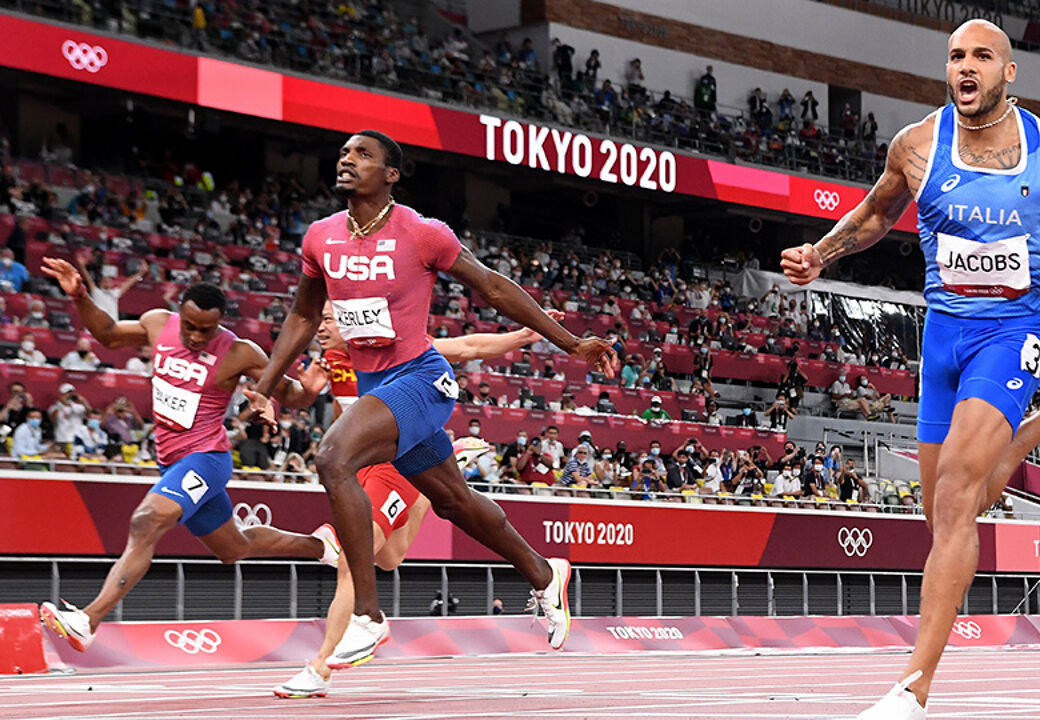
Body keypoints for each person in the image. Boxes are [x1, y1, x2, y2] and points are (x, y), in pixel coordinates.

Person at [780, 20, 1040, 718]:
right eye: (955, 56)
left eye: (981, 56)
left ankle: (913, 688)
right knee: (950, 514)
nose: (965, 67)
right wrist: (820, 255)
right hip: (943, 335)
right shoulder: (916, 146)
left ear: (1009, 73)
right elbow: (877, 212)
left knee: (954, 499)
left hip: (1011, 333)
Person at [250, 130, 616, 667]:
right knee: (453, 502)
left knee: (333, 457)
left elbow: (493, 288)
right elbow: (304, 316)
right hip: (378, 389)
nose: (347, 160)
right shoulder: (320, 238)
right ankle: (545, 572)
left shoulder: (422, 233)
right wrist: (264, 390)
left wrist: (572, 343)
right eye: (345, 152)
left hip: (422, 379)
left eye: (363, 155)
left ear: (391, 174)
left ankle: (367, 618)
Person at [37, 260, 333, 653]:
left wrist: (311, 389)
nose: (194, 336)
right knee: (234, 548)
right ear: (180, 314)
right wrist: (80, 296)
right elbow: (107, 334)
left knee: (145, 520)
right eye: (190, 326)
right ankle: (322, 546)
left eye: (205, 330)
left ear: (220, 323)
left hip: (206, 458)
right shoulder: (159, 323)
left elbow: (292, 394)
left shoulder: (241, 352)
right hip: (170, 460)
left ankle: (87, 620)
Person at [274, 301, 548, 698]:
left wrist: (521, 336)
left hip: (395, 463)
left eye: (330, 319)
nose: (321, 327)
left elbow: (465, 348)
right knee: (388, 557)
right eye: (322, 319)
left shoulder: (391, 352)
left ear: (352, 322)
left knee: (354, 560)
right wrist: (265, 385)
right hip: (355, 465)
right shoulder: (329, 357)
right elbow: (302, 394)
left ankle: (319, 669)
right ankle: (426, 493)